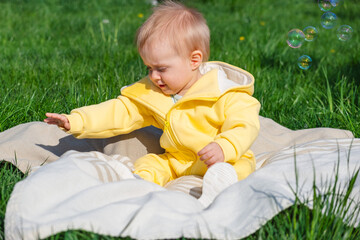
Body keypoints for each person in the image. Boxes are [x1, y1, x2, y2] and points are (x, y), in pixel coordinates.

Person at [44, 0, 260, 207]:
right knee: (149, 164)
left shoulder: (226, 91)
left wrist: (225, 147)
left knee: (240, 168)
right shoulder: (153, 92)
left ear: (194, 60)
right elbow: (119, 111)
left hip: (221, 158)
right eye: (149, 68)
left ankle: (221, 186)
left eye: (161, 69)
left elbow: (244, 125)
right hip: (177, 161)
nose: (154, 77)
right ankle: (137, 187)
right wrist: (76, 120)